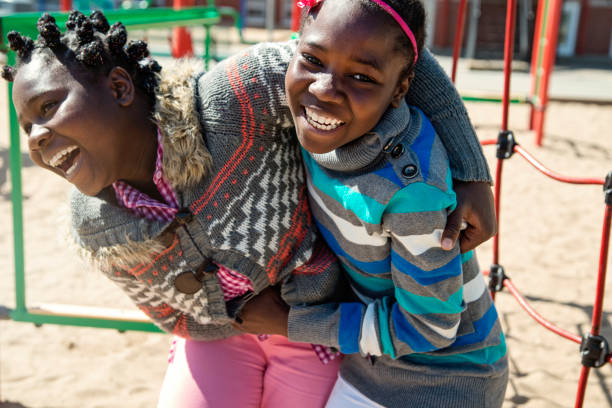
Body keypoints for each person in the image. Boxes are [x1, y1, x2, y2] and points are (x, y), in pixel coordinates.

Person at [2, 6, 497, 408]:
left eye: (48, 108)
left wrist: (472, 170)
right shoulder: (96, 225)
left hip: (318, 318)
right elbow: (161, 310)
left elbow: (388, 40)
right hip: (222, 334)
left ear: (118, 88)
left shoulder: (231, 102)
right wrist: (226, 317)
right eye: (27, 127)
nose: (37, 138)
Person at [235, 0, 508, 407]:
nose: (324, 88)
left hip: (446, 378)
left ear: (401, 89)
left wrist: (287, 322)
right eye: (311, 59)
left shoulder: (409, 194)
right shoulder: (323, 120)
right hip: (373, 361)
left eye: (361, 76)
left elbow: (430, 329)